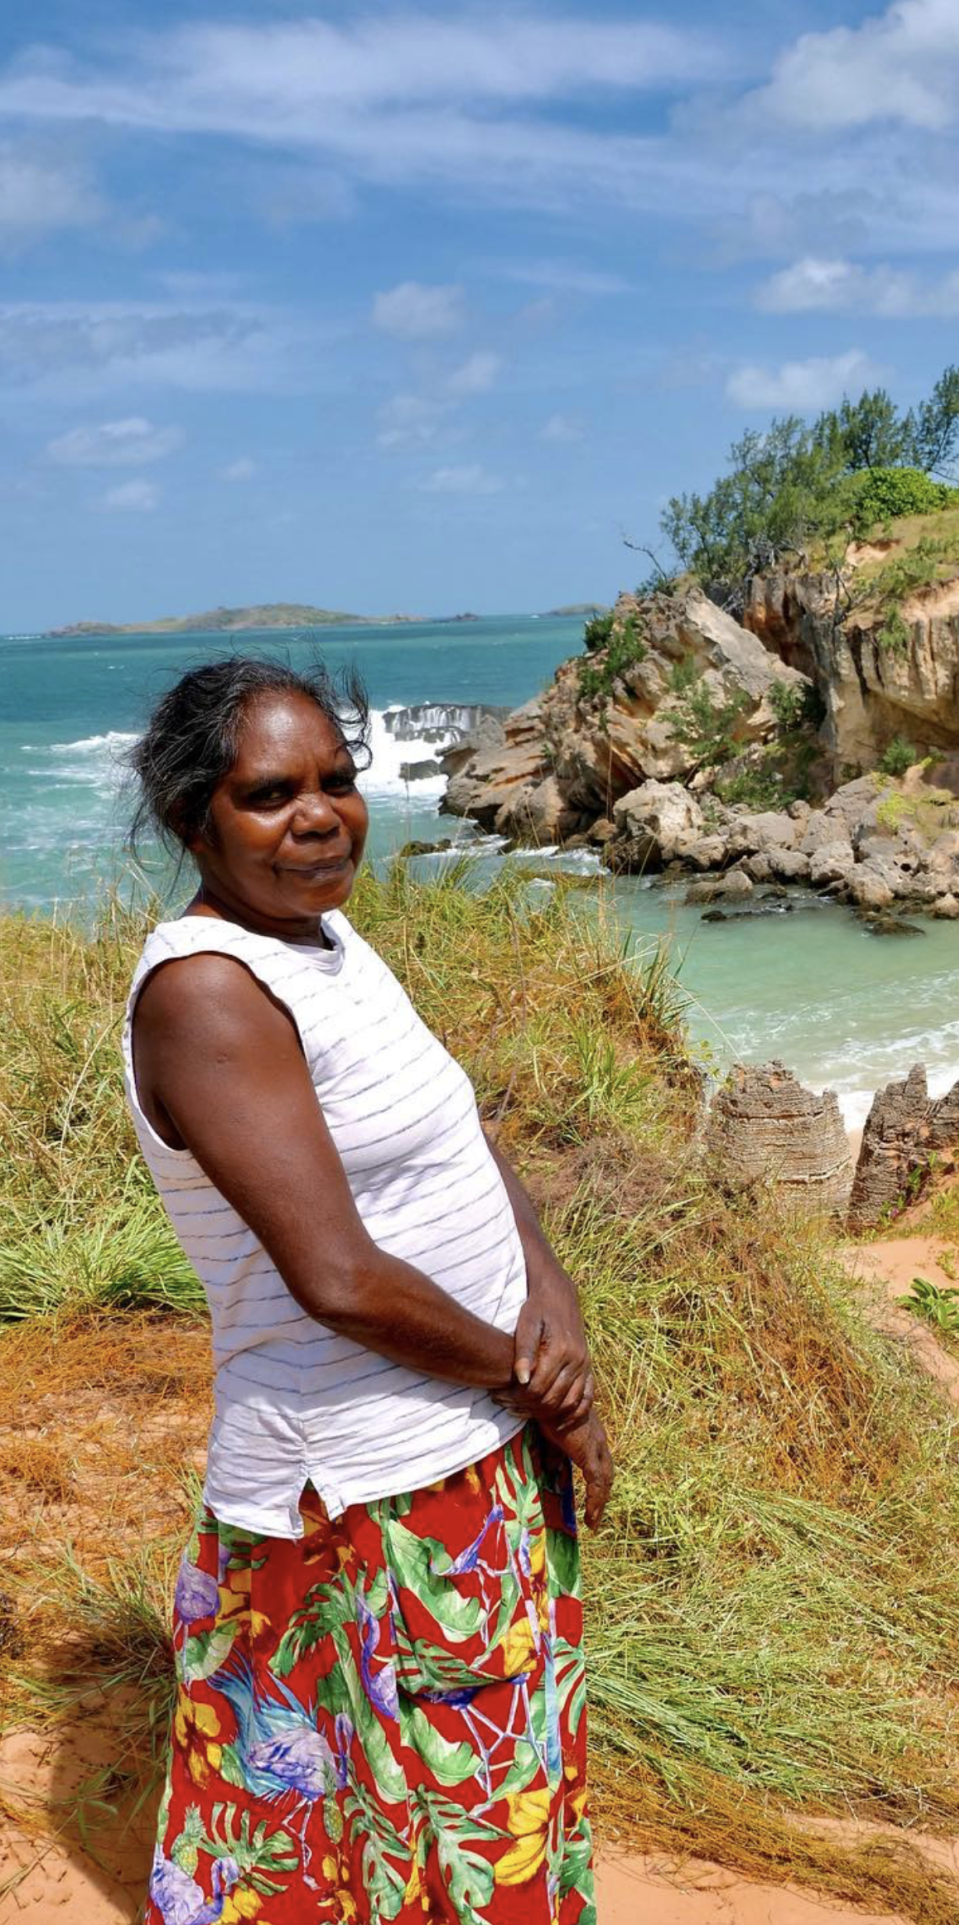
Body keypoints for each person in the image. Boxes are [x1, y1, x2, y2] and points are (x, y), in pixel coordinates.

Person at [124, 658, 606, 1925]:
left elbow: (458, 1129)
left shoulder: (323, 935)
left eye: (338, 780)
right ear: (194, 820)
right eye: (271, 792)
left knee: (466, 1801)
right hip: (359, 1486)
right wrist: (530, 1375)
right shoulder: (209, 990)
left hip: (460, 1441)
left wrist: (551, 1303)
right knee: (387, 1828)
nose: (321, 813)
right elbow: (336, 1277)